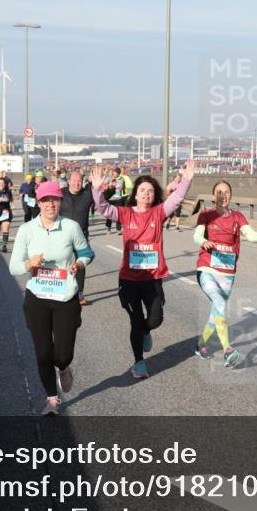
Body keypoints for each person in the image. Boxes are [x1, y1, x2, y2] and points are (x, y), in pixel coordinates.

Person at [89, 159, 195, 379]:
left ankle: (147, 330)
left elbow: (176, 199)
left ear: (154, 195)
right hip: (129, 279)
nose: (146, 194)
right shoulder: (125, 214)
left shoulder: (159, 212)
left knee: (155, 319)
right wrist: (96, 190)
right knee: (135, 321)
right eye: (142, 190)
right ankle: (139, 362)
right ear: (135, 194)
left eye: (150, 191)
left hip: (152, 279)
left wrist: (186, 180)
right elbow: (104, 209)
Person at [9, 181, 94, 415]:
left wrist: (79, 263)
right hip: (37, 298)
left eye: (54, 199)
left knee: (62, 355)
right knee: (43, 352)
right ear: (38, 203)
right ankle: (51, 399)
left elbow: (86, 252)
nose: (50, 204)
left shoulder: (71, 227)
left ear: (60, 201)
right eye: (45, 200)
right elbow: (14, 267)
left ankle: (64, 368)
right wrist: (29, 263)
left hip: (65, 297)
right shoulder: (26, 230)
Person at [193, 180, 257, 367]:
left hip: (227, 273)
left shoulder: (237, 217)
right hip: (207, 269)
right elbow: (197, 235)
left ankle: (201, 344)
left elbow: (250, 234)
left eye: (226, 192)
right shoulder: (206, 215)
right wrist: (204, 242)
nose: (223, 195)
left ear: (231, 195)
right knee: (219, 303)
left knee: (217, 312)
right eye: (219, 192)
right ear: (214, 196)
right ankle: (227, 350)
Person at [58, 170, 95, 305]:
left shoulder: (87, 194)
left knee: (81, 263)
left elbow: (101, 193)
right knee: (61, 262)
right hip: (62, 234)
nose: (77, 183)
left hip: (81, 235)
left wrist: (97, 183)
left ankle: (79, 294)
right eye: (74, 181)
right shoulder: (61, 194)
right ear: (69, 182)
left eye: (79, 181)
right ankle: (60, 290)